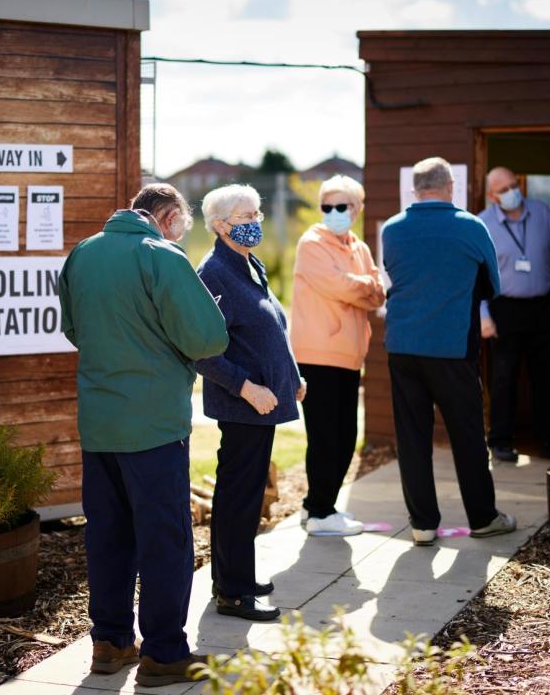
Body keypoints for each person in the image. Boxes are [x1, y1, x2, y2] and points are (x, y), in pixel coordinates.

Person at [58, 183, 228, 688]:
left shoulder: (82, 253)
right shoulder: (162, 254)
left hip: (99, 422)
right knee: (164, 541)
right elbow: (207, 337)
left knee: (107, 536)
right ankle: (165, 654)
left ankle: (109, 643)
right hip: (154, 425)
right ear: (169, 216)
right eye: (183, 223)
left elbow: (73, 328)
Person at [381, 157, 516, 547]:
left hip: (402, 347)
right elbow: (494, 284)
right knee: (468, 435)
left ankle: (423, 524)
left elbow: (397, 273)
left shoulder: (392, 229)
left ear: (415, 188)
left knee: (412, 437)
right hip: (452, 348)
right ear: (450, 187)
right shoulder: (471, 227)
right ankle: (483, 517)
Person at [195, 184, 304, 621]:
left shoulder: (246, 263)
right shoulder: (214, 274)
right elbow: (203, 350)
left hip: (263, 403)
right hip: (244, 406)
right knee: (239, 497)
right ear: (221, 226)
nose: (255, 221)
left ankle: (232, 576)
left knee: (243, 494)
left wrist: (291, 375)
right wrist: (248, 388)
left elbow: (270, 324)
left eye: (257, 212)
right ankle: (234, 594)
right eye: (245, 216)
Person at [289, 175, 385, 537]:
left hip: (349, 355)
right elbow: (340, 285)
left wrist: (357, 288)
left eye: (341, 206)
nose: (333, 213)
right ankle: (320, 512)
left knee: (346, 435)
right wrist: (361, 288)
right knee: (328, 436)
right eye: (326, 206)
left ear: (356, 209)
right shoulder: (311, 243)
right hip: (317, 356)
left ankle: (316, 505)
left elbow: (378, 292)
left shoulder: (358, 246)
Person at [478, 166, 550, 462]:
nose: (512, 192)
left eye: (514, 185)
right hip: (504, 308)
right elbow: (477, 275)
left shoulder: (542, 213)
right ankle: (501, 441)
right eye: (504, 189)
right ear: (492, 196)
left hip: (543, 306)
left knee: (546, 376)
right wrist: (484, 315)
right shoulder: (483, 224)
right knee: (504, 377)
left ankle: (547, 439)